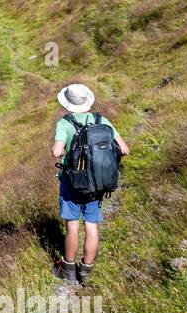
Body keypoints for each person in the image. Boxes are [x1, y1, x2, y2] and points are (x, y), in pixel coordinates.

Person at [50, 83, 130, 285]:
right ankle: (86, 272)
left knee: (72, 225)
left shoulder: (65, 123)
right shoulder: (101, 120)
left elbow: (56, 152)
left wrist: (71, 150)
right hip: (98, 182)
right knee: (92, 225)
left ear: (68, 104)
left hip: (73, 182)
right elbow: (125, 149)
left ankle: (68, 269)